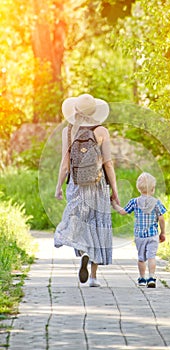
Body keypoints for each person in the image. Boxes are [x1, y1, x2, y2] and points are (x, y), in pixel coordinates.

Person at [54, 94, 119, 287]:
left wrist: (58, 187)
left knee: (79, 224)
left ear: (75, 111)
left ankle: (83, 251)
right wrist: (114, 191)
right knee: (97, 225)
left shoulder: (68, 131)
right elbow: (108, 164)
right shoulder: (102, 131)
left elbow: (65, 164)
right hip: (97, 185)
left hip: (76, 184)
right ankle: (93, 277)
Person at [112, 172, 166, 288]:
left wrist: (114, 204)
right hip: (153, 235)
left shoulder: (134, 202)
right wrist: (163, 232)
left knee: (141, 259)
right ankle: (151, 277)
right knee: (151, 257)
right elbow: (161, 218)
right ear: (153, 189)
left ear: (138, 188)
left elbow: (123, 212)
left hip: (140, 236)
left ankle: (142, 279)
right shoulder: (156, 203)